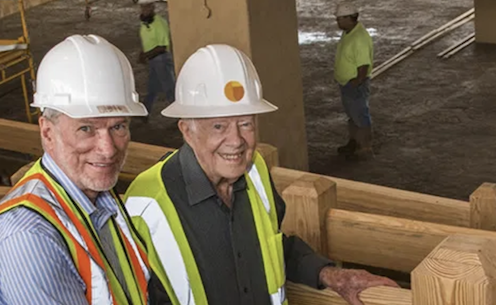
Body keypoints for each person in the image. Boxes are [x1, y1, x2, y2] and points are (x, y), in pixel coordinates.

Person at [124, 44, 398, 305]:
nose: (236, 140)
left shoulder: (255, 172)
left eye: (245, 123)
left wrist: (331, 275)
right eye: (219, 126)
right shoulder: (146, 205)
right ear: (187, 130)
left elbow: (273, 249)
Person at [0, 34, 151, 305]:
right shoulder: (27, 240)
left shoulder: (99, 201)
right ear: (47, 132)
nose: (108, 149)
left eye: (118, 126)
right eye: (86, 128)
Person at [333, 1, 375, 157]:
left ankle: (365, 147)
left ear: (349, 18)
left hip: (355, 84)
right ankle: (354, 142)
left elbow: (363, 64)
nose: (337, 22)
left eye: (339, 19)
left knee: (360, 114)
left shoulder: (359, 38)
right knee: (353, 115)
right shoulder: (349, 32)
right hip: (347, 83)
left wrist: (358, 81)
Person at [138, 0, 176, 119]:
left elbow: (162, 47)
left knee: (169, 88)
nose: (145, 10)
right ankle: (145, 112)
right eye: (143, 7)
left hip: (161, 59)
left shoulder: (159, 23)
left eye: (147, 7)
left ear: (153, 7)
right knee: (152, 87)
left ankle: (180, 115)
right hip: (154, 60)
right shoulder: (145, 23)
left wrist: (145, 55)